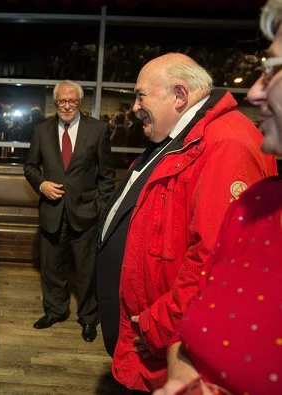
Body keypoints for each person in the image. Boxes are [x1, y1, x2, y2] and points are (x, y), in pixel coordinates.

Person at [95, 53, 277, 393]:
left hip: (164, 345)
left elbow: (215, 263)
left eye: (140, 95)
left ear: (179, 96)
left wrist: (156, 327)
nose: (134, 106)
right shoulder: (179, 139)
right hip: (148, 343)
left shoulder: (227, 145)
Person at [154, 2, 282, 394]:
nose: (256, 91)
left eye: (273, 70)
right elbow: (200, 319)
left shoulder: (226, 143)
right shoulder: (257, 206)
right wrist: (185, 375)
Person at [24, 80, 115, 343]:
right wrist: (41, 184)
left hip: (87, 213)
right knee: (52, 267)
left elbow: (107, 176)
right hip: (52, 211)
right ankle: (55, 311)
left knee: (86, 271)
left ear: (80, 103)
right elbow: (30, 166)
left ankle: (88, 318)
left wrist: (100, 209)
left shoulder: (97, 130)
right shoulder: (41, 130)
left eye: (72, 101)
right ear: (55, 103)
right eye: (62, 101)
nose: (66, 106)